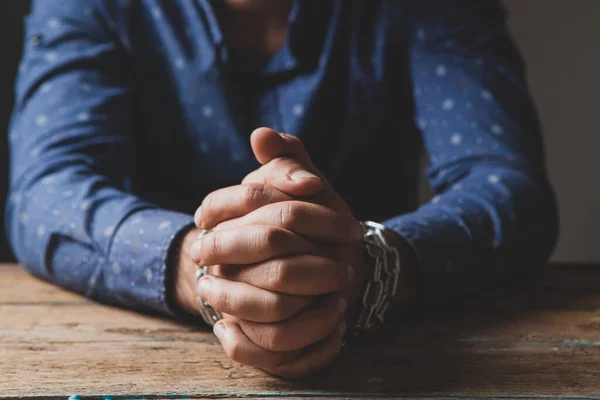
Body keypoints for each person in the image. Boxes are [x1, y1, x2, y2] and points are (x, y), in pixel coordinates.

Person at [6, 0, 558, 378]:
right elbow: (45, 189)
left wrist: (367, 268)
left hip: (378, 356)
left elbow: (507, 186)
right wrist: (206, 268)